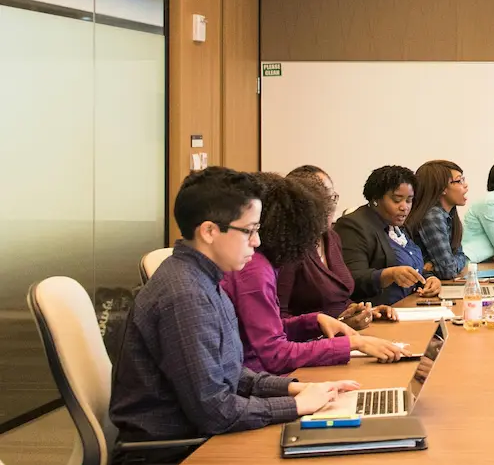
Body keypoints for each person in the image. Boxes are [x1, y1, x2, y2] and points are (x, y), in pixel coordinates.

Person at [110, 167, 357, 449]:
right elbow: (215, 412)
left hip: (201, 435)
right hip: (177, 451)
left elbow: (230, 372)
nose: (257, 241)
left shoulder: (205, 278)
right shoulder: (186, 296)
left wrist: (292, 389)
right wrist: (296, 405)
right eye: (249, 231)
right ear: (210, 231)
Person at [221, 173, 407, 375]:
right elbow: (275, 354)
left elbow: (270, 327)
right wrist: (353, 344)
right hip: (265, 379)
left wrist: (315, 321)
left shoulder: (263, 263)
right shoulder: (255, 270)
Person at [276, 165, 390, 330]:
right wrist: (334, 326)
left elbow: (338, 299)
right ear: (302, 203)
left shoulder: (331, 237)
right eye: (326, 199)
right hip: (312, 345)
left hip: (344, 337)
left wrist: (362, 311)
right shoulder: (289, 247)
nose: (332, 206)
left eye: (333, 197)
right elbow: (279, 318)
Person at [335, 165, 442, 304]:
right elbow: (351, 279)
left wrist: (429, 279)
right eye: (397, 200)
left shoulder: (399, 226)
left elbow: (411, 265)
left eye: (409, 200)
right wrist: (388, 275)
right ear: (376, 198)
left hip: (409, 305)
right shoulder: (353, 226)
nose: (404, 207)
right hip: (377, 314)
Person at [408, 160, 470, 280]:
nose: (465, 185)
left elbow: (461, 255)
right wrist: (449, 263)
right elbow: (448, 271)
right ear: (442, 189)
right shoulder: (432, 216)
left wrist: (436, 264)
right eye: (459, 181)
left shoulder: (449, 214)